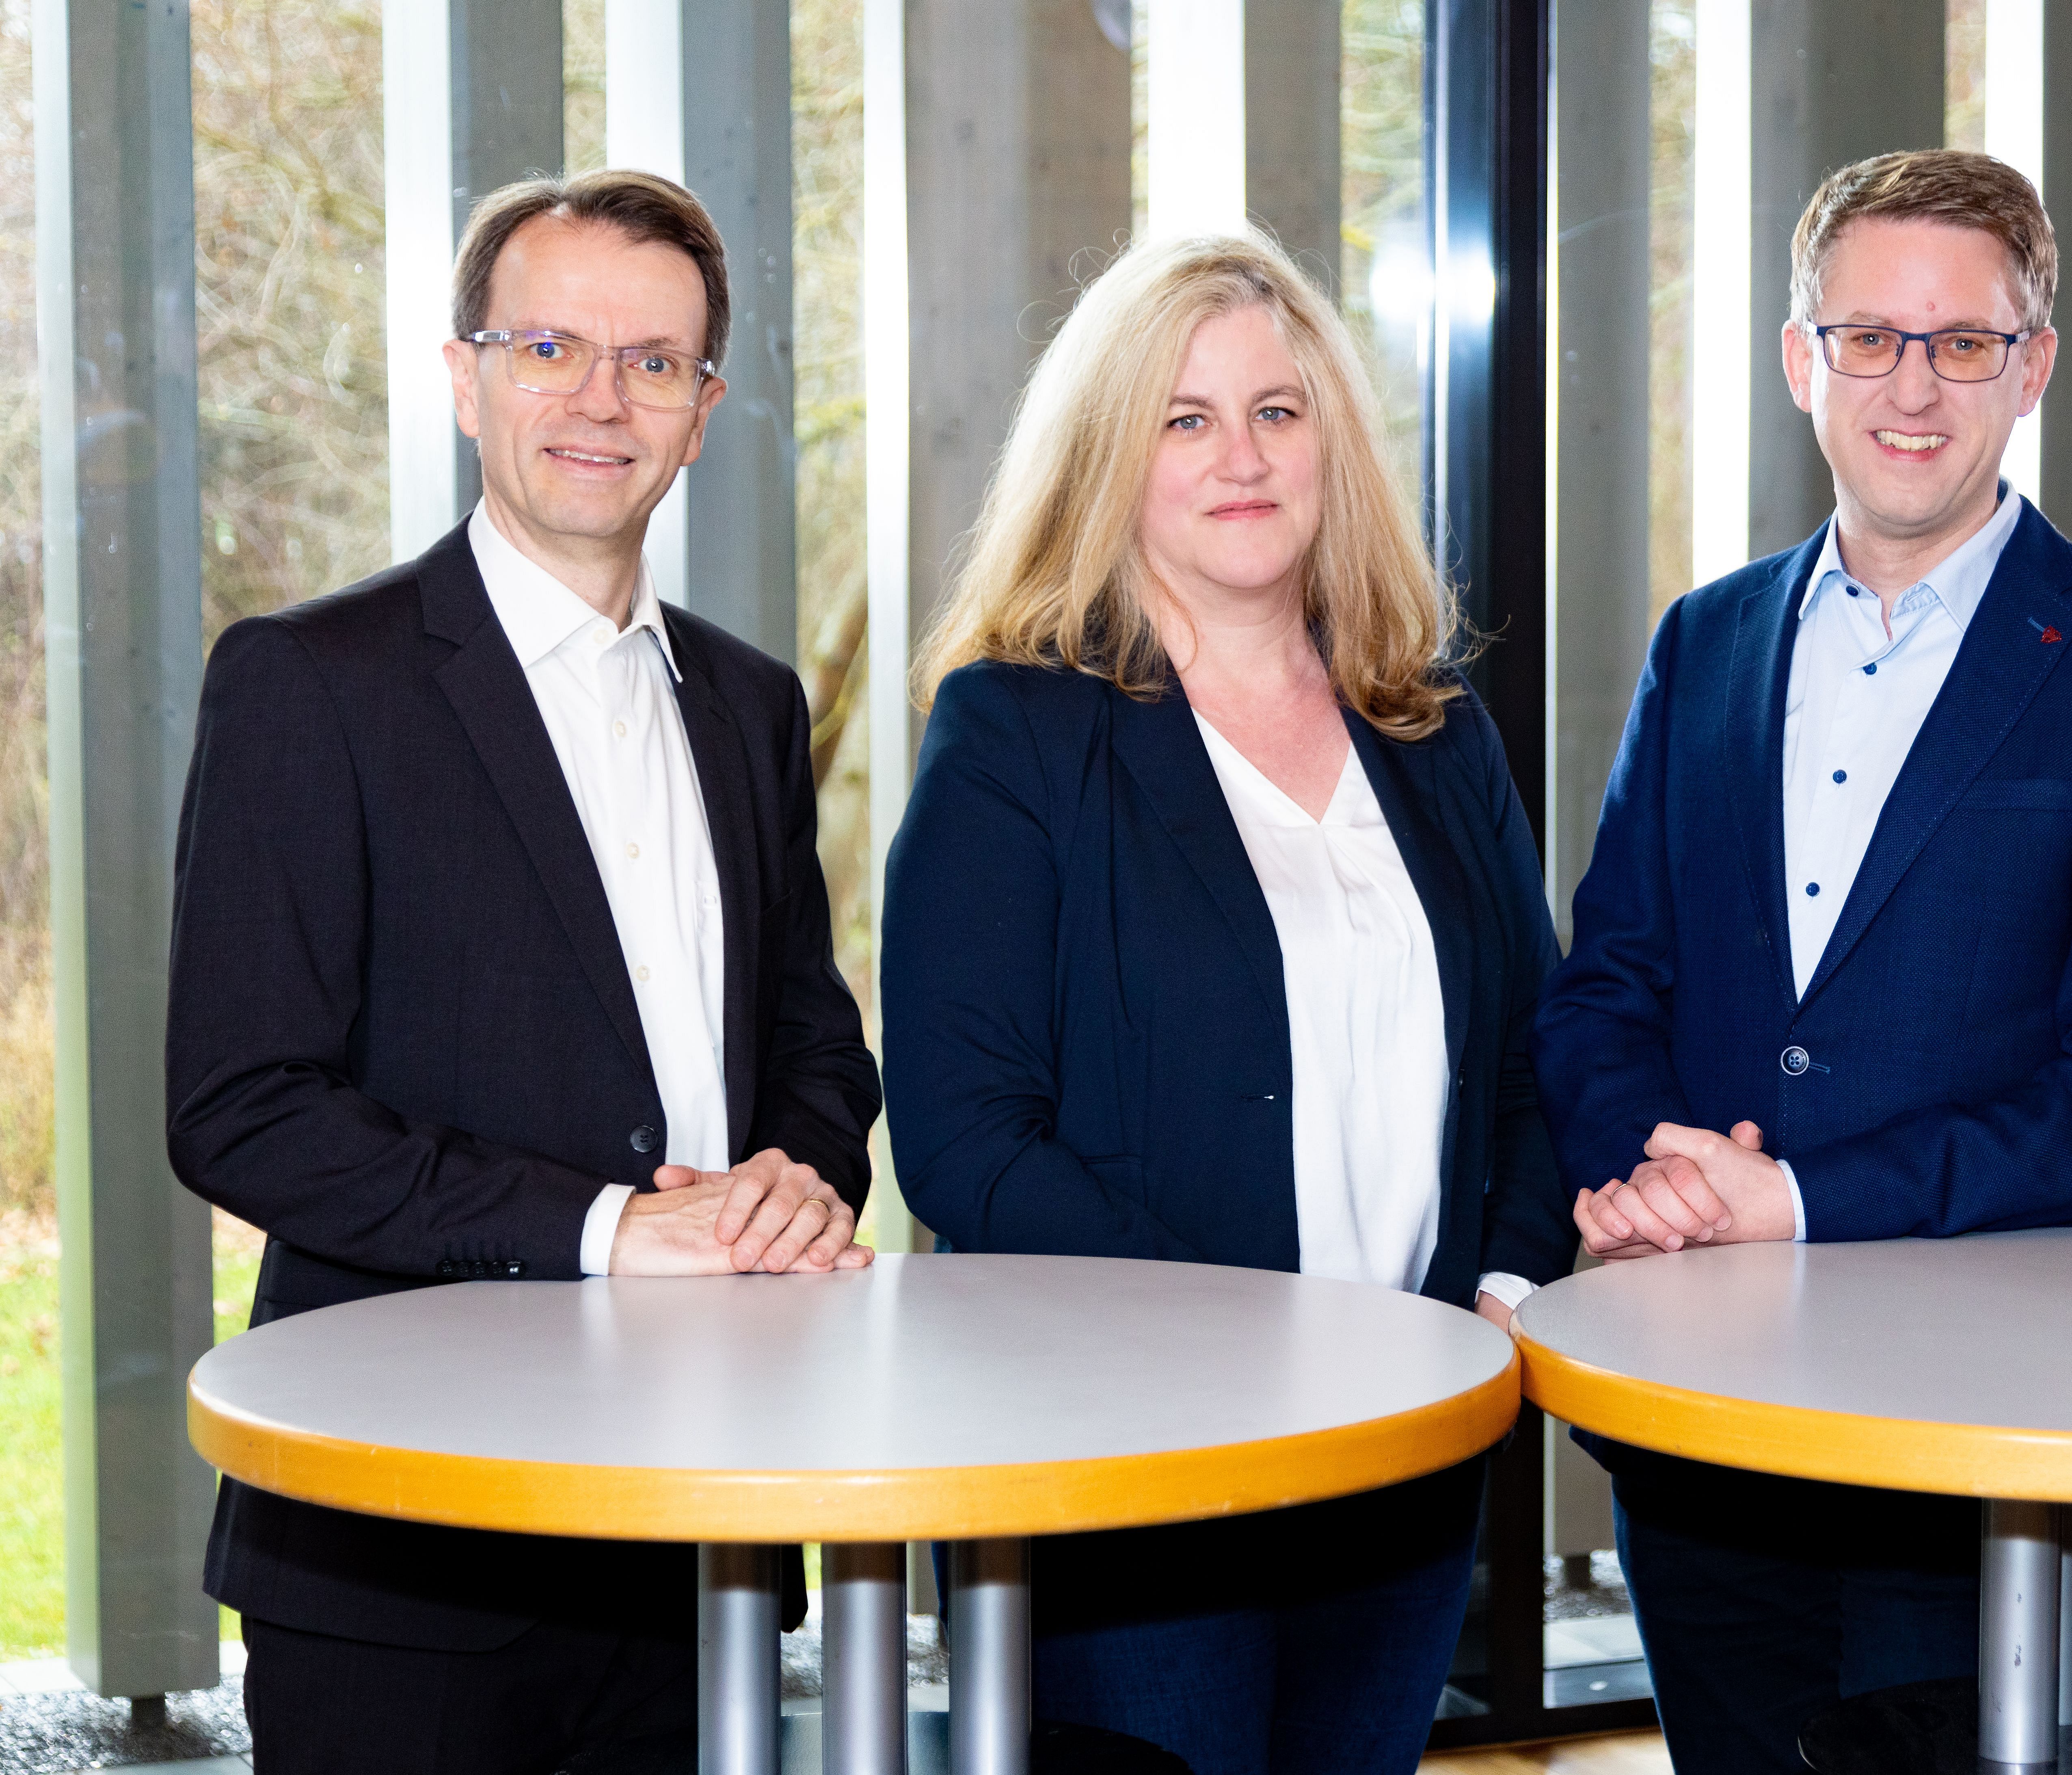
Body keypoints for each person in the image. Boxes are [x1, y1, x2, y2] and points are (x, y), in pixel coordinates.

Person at [1533, 149, 2072, 1772]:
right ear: (1802, 359)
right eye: (1869, 338)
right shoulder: (1703, 641)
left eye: (1963, 342)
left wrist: (1793, 1199)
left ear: (2033, 365)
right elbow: (1607, 981)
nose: (1912, 388)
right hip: (1700, 1400)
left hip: (1976, 1419)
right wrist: (1652, 1174)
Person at [166, 169, 882, 1773]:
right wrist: (611, 1228)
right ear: (464, 377)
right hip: (407, 1553)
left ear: (703, 414)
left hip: (697, 1530)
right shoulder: (311, 683)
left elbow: (814, 1047)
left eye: (654, 362)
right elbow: (243, 1107)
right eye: (550, 346)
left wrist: (792, 1179)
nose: (600, 399)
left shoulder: (749, 706)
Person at [879, 228, 1571, 1775]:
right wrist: (1247, 1341)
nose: (1240, 457)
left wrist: (1507, 1285)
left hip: (1408, 1445)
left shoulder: (1434, 729)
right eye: (1184, 419)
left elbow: (1537, 1061)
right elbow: (966, 1140)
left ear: (1333, 443)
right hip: (1131, 1461)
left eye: (1277, 410)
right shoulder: (1018, 731)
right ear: (1109, 460)